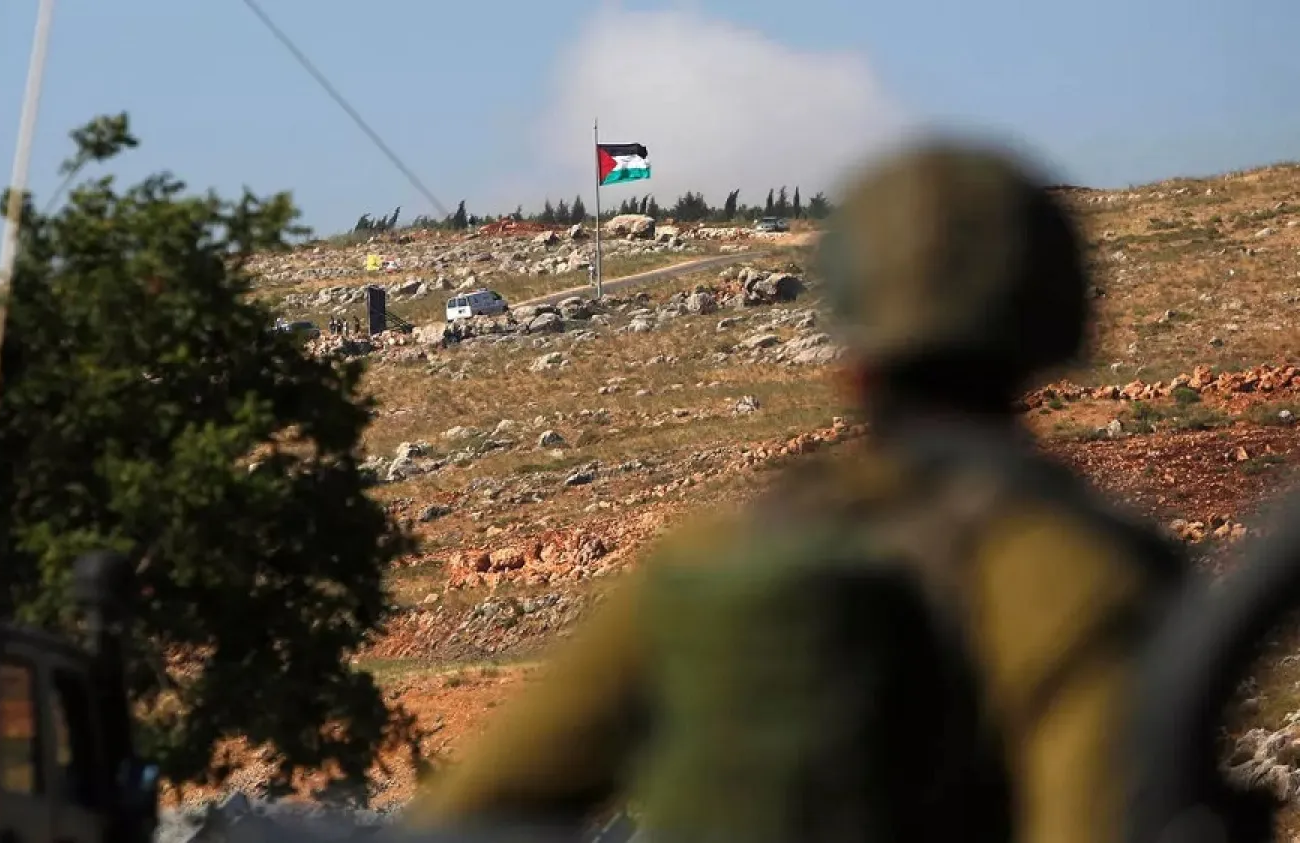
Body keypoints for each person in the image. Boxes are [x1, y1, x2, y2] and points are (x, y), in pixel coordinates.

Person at [401, 138, 1189, 843]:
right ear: (1057, 327)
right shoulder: (1091, 577)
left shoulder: (716, 552)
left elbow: (484, 803)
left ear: (849, 344)